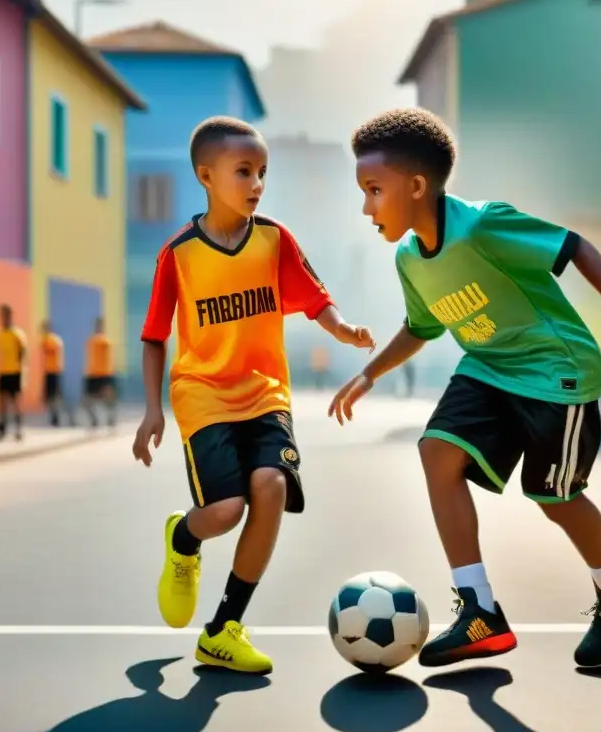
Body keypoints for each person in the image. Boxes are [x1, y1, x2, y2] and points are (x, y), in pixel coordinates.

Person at [329, 108, 601, 669]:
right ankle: (480, 612)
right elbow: (421, 326)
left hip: (555, 372)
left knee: (555, 497)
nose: (366, 208)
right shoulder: (409, 258)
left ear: (417, 186)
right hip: (489, 366)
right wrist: (371, 371)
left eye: (374, 190)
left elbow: (575, 249)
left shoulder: (483, 226)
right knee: (436, 451)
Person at [131, 116, 375, 675]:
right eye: (244, 171)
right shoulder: (179, 254)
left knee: (270, 485)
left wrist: (343, 329)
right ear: (206, 176)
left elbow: (316, 299)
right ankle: (184, 537)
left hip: (266, 394)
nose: (257, 183)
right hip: (203, 394)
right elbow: (153, 337)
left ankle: (223, 630)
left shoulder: (274, 238)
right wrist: (152, 409)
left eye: (263, 172)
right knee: (224, 510)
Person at [0, 304, 27, 441]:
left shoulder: (17, 334)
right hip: (3, 372)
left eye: (6, 314)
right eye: (1, 315)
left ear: (10, 316)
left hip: (15, 372)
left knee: (16, 401)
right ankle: (2, 428)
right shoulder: (0, 334)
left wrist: (21, 370)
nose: (3, 318)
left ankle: (19, 428)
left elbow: (23, 352)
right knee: (1, 400)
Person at [83, 317, 117, 429]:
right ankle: (94, 420)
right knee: (88, 400)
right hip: (92, 374)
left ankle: (111, 418)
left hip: (105, 374)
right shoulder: (92, 341)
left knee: (108, 398)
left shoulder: (105, 341)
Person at [40, 320, 72, 427]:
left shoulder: (53, 340)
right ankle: (54, 418)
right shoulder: (47, 340)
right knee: (49, 398)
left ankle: (68, 417)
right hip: (49, 371)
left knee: (57, 397)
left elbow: (49, 351)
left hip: (55, 371)